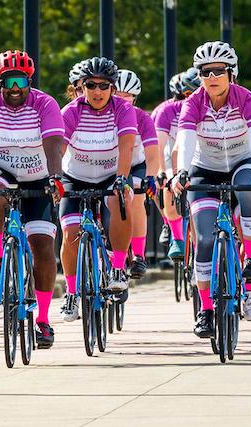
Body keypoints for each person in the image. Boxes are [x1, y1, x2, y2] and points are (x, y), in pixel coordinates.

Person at [0, 49, 65, 349]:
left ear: (29, 81)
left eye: (21, 81)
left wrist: (55, 178)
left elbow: (54, 145)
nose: (15, 88)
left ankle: (43, 320)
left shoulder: (45, 104)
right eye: (9, 81)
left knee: (43, 247)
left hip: (37, 173)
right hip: (0, 168)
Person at [172, 41, 251, 335]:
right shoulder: (193, 103)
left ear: (231, 73)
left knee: (247, 186)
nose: (212, 77)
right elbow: (186, 139)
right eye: (205, 72)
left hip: (242, 162)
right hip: (204, 169)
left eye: (218, 71)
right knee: (203, 239)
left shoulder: (247, 99)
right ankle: (205, 310)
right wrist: (182, 172)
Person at [58, 57, 137, 321]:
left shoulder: (122, 110)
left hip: (108, 176)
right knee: (70, 232)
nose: (97, 91)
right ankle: (71, 293)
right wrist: (53, 178)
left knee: (121, 201)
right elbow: (58, 148)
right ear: (82, 87)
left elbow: (126, 146)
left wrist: (122, 178)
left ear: (112, 88)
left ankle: (117, 269)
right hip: (75, 176)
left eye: (104, 86)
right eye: (90, 85)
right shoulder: (71, 111)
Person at [114, 69, 160, 279]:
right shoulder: (103, 115)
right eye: (118, 94)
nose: (122, 99)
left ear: (135, 97)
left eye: (127, 95)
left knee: (136, 199)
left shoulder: (142, 118)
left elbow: (152, 154)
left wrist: (151, 176)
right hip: (109, 167)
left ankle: (139, 255)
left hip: (136, 165)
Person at [152, 68, 200, 259]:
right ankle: (175, 232)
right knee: (165, 183)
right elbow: (159, 144)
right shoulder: (167, 110)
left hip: (199, 156)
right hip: (170, 154)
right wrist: (162, 172)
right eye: (186, 95)